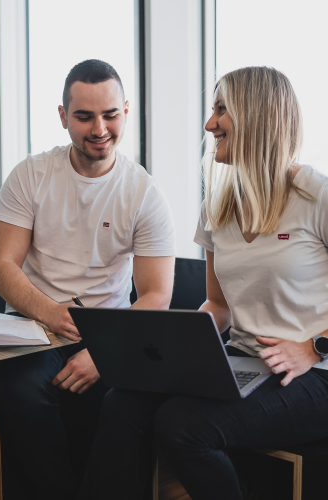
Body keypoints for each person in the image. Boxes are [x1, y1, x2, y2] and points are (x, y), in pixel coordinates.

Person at [76, 66, 328, 500]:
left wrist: (314, 347)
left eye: (221, 110)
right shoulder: (219, 207)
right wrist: (179, 352)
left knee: (184, 428)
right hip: (246, 360)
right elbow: (218, 305)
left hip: (315, 373)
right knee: (122, 402)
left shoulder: (316, 196)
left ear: (258, 116)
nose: (210, 124)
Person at [0, 59, 176, 500]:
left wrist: (105, 353)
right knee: (22, 388)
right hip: (32, 325)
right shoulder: (30, 175)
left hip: (110, 332)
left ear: (125, 112)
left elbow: (156, 294)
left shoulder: (144, 193)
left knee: (126, 403)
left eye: (110, 115)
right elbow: (1, 266)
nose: (99, 128)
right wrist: (52, 313)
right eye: (85, 116)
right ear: (62, 116)